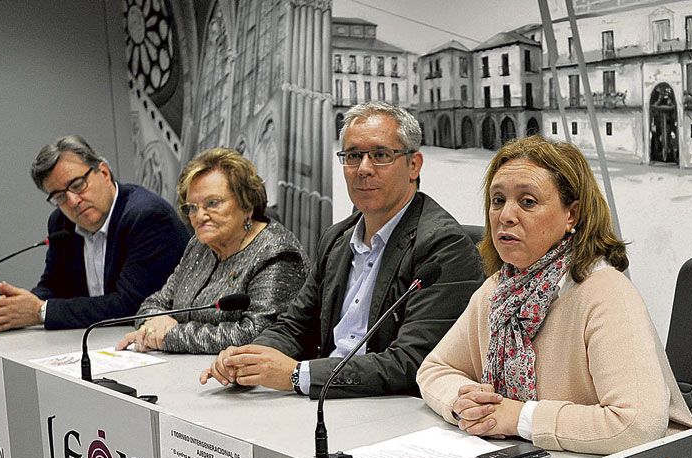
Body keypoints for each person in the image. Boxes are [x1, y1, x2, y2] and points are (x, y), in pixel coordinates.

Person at [416, 135, 692, 454]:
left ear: (571, 214)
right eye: (497, 200)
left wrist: (519, 417)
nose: (506, 215)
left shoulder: (605, 292)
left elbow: (636, 424)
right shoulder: (499, 290)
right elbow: (434, 369)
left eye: (527, 201)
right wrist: (463, 401)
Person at [200, 102, 482, 397]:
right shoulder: (338, 238)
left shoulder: (442, 246)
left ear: (414, 165)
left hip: (388, 409)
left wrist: (298, 376)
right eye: (352, 156)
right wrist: (250, 358)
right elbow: (295, 325)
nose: (363, 169)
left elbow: (411, 363)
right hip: (323, 400)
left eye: (380, 155)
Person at [0, 135, 187, 331]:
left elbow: (131, 306)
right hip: (95, 340)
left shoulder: (147, 217)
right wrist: (16, 305)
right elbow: (54, 285)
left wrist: (40, 312)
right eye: (59, 197)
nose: (73, 201)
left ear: (103, 173)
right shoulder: (61, 223)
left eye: (77, 185)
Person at [115, 148, 307, 354]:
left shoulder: (277, 252)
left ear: (246, 204)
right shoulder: (199, 247)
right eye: (192, 207)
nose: (200, 216)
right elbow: (155, 302)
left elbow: (258, 333)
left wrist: (171, 336)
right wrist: (154, 323)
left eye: (212, 203)